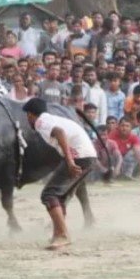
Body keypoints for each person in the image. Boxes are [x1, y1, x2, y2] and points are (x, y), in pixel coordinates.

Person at [22, 98, 97, 251]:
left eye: (27, 116)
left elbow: (59, 132)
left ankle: (63, 235)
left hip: (79, 156)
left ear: (30, 115)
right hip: (88, 155)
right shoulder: (51, 118)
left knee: (49, 194)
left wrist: (69, 161)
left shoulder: (41, 121)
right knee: (60, 196)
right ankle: (58, 234)